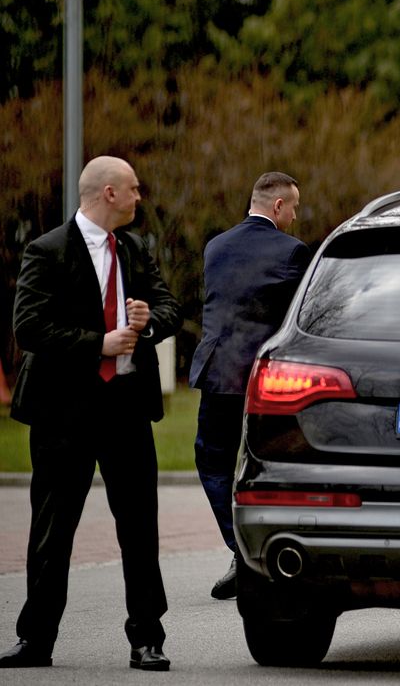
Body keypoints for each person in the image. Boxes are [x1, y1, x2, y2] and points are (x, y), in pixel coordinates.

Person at [1, 156, 179, 671]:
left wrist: (148, 322)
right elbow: (29, 328)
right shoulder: (48, 250)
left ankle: (147, 638)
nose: (140, 197)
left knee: (140, 527)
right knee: (52, 530)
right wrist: (97, 344)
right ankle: (36, 640)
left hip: (126, 408)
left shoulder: (135, 248)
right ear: (108, 194)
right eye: (133, 189)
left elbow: (169, 307)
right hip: (64, 412)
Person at [189, 172, 310, 600]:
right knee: (266, 466)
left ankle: (240, 550)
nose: (296, 215)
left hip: (219, 372)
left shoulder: (215, 247)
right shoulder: (293, 252)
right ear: (278, 206)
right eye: (293, 207)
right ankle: (251, 555)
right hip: (265, 377)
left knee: (213, 462)